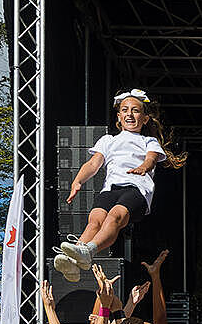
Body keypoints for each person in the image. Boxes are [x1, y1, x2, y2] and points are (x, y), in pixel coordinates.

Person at [54, 89, 187, 282]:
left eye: (135, 110)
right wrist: (77, 181)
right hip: (111, 188)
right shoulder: (108, 140)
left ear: (145, 118)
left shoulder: (149, 141)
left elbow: (151, 159)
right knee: (95, 219)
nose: (129, 114)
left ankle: (88, 251)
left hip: (136, 189)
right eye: (125, 110)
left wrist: (143, 167)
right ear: (119, 116)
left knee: (115, 216)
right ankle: (73, 263)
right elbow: (93, 164)